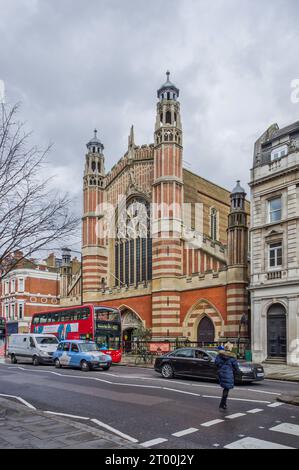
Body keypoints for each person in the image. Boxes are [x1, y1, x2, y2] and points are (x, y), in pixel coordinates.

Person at [215, 342, 240, 410]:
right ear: (230, 348)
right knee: (226, 388)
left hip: (221, 373)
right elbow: (236, 366)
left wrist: (221, 368)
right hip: (228, 373)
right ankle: (222, 404)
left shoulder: (219, 355)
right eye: (231, 347)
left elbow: (216, 363)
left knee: (225, 388)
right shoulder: (232, 357)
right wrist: (238, 372)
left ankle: (223, 404)